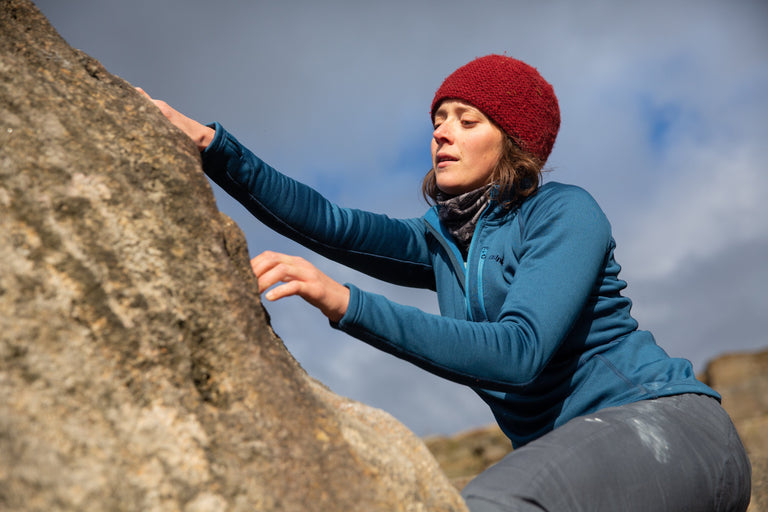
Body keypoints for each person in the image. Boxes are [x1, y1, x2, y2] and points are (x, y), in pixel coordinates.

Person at [139, 54, 751, 511]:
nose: (441, 131)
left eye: (467, 119)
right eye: (438, 118)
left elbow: (519, 353)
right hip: (580, 459)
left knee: (490, 504)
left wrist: (348, 303)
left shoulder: (565, 212)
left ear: (510, 141)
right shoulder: (442, 241)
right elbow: (331, 224)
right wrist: (214, 147)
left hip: (669, 428)